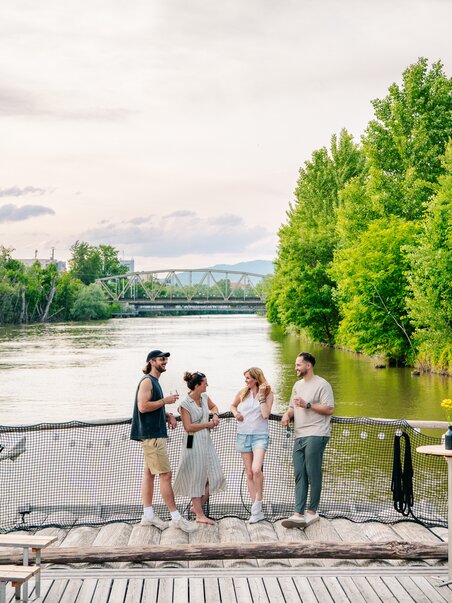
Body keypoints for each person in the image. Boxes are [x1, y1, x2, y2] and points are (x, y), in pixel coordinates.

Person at [130, 349, 198, 533]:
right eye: (161, 359)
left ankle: (148, 515)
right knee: (165, 475)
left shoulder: (154, 382)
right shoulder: (147, 381)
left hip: (153, 434)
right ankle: (176, 518)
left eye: (166, 359)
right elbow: (143, 407)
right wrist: (165, 401)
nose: (165, 361)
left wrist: (167, 414)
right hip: (152, 436)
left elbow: (152, 406)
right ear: (152, 361)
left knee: (149, 474)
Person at [281, 352, 334, 528]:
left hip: (317, 433)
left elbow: (329, 409)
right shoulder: (297, 385)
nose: (295, 368)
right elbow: (291, 407)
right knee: (299, 474)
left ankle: (312, 511)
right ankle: (298, 513)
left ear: (308, 366)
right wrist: (286, 415)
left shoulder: (322, 384)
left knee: (313, 472)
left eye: (298, 365)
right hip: (299, 434)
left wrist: (308, 405)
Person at [173, 371, 226, 524]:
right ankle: (200, 515)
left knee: (216, 477)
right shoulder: (184, 404)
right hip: (191, 441)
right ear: (197, 386)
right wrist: (207, 424)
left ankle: (197, 507)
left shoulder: (204, 397)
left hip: (205, 441)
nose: (207, 385)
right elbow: (188, 427)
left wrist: (215, 415)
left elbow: (214, 407)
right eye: (205, 383)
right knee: (196, 476)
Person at [230, 367, 274, 523]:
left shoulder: (268, 393)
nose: (246, 381)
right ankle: (255, 511)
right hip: (243, 434)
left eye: (248, 378)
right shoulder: (243, 392)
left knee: (256, 469)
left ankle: (258, 502)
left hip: (260, 436)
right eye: (245, 378)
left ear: (256, 378)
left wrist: (261, 396)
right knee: (249, 473)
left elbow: (266, 414)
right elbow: (232, 406)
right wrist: (236, 414)